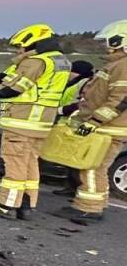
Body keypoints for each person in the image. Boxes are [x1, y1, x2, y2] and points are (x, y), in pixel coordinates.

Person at [0, 24, 71, 219]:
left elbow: (9, 91)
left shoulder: (34, 62)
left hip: (22, 121)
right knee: (30, 165)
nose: (19, 50)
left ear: (32, 43)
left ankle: (5, 205)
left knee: (14, 164)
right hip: (42, 124)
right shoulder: (61, 62)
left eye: (20, 46)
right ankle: (26, 205)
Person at [54, 21, 127, 223]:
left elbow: (120, 100)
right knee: (96, 167)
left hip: (107, 128)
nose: (106, 45)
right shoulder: (116, 64)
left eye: (109, 41)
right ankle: (96, 204)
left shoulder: (123, 65)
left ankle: (89, 207)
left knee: (92, 167)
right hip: (107, 127)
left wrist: (95, 120)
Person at [54, 60, 96, 197]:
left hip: (77, 123)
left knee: (76, 159)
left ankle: (78, 188)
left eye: (70, 71)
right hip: (68, 123)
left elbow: (82, 103)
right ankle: (71, 187)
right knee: (69, 158)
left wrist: (61, 110)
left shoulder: (85, 83)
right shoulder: (76, 82)